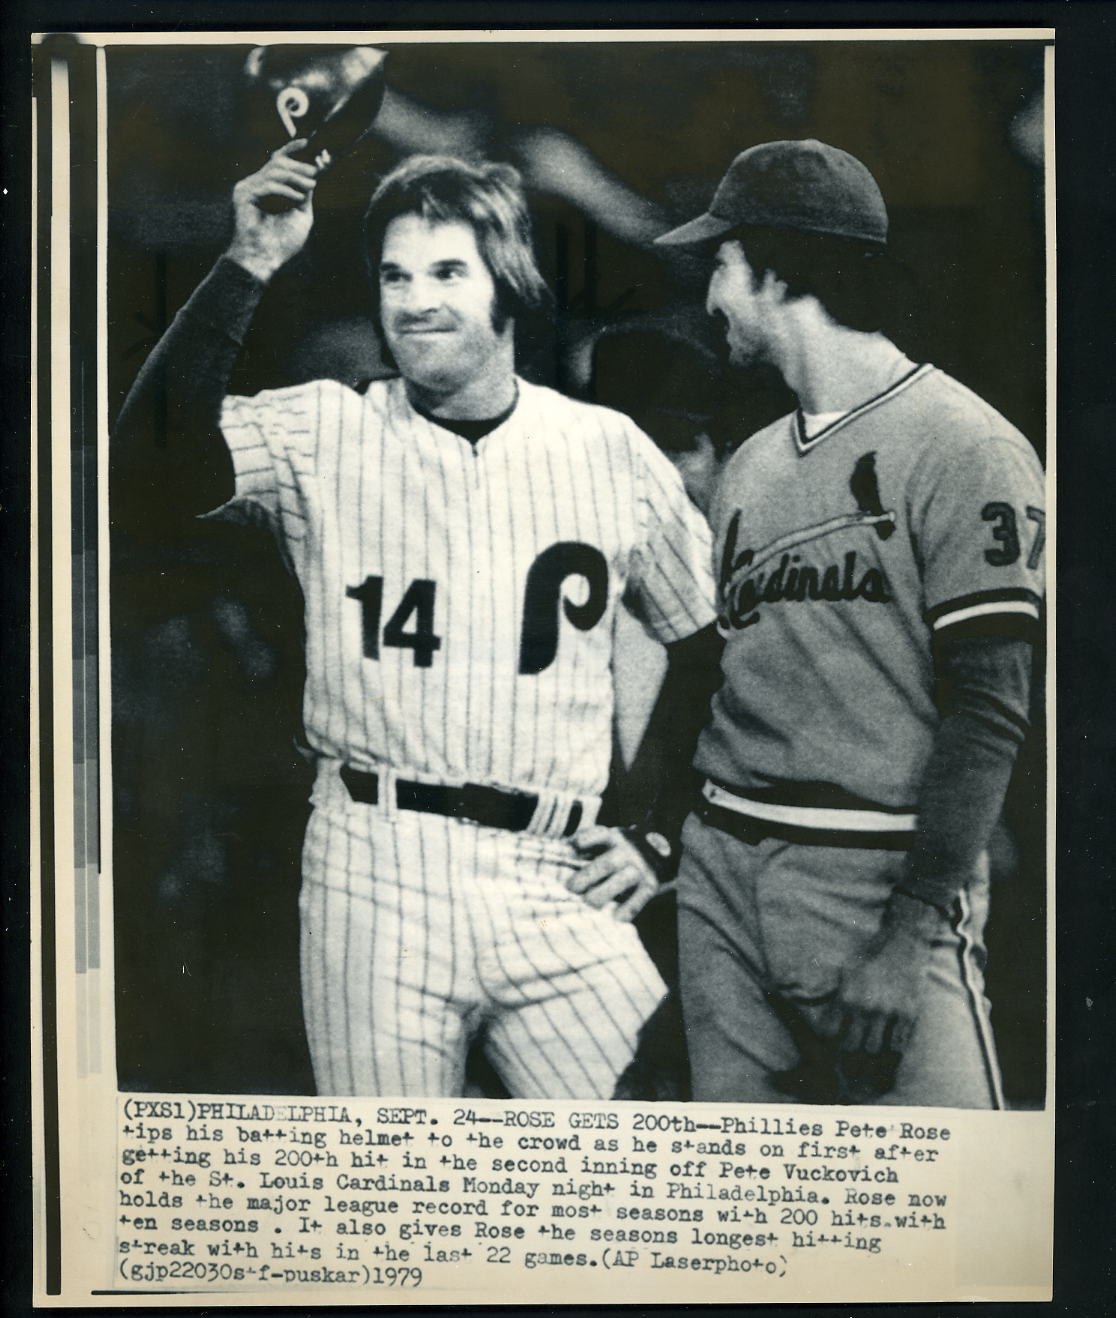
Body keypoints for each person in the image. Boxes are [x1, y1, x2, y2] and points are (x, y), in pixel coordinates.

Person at [114, 143, 720, 1099]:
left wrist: (654, 833)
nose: (413, 300)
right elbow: (148, 471)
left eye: (447, 271)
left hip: (555, 869)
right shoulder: (324, 425)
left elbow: (704, 646)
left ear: (509, 283)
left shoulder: (608, 449)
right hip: (375, 859)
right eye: (394, 275)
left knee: (654, 1156)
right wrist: (246, 267)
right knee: (392, 1191)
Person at [655, 140, 1045, 1107]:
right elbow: (721, 678)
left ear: (774, 268)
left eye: (721, 262)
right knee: (749, 1220)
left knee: (957, 1217)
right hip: (725, 871)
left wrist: (910, 933)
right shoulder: (747, 465)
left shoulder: (968, 443)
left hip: (877, 877)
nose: (711, 294)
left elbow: (991, 711)